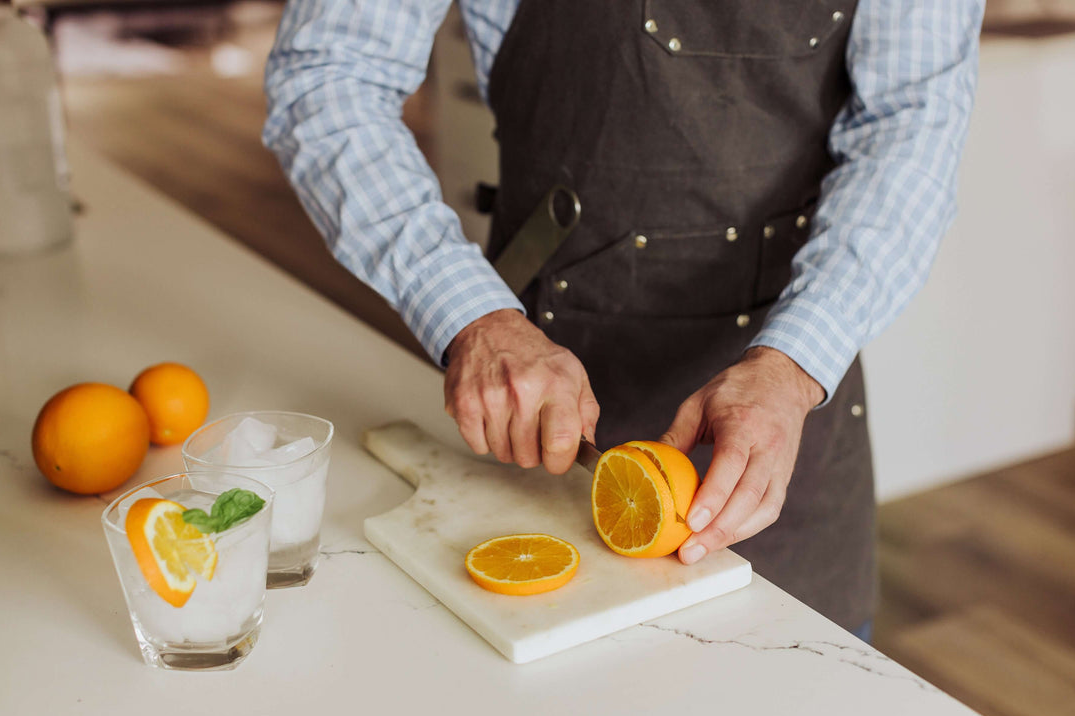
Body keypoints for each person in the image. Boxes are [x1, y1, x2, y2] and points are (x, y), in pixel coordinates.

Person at [262, 0, 985, 638]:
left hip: (795, 426)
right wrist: (472, 315)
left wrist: (793, 367)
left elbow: (912, 124)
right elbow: (329, 75)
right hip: (526, 422)